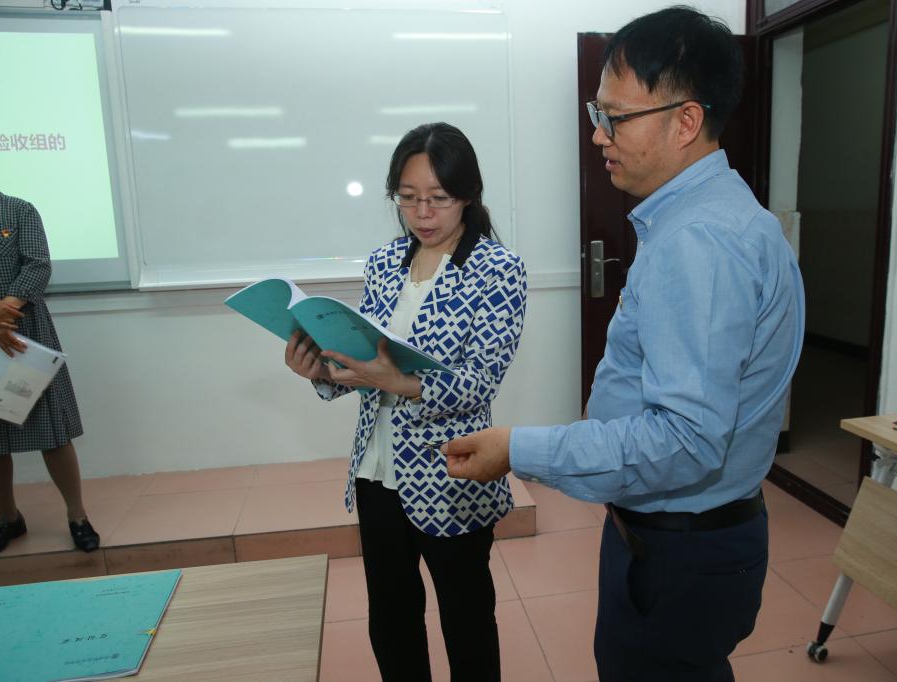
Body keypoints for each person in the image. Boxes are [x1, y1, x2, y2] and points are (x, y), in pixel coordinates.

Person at [443, 7, 805, 682]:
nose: (597, 134)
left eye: (615, 117)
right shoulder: (723, 218)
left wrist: (519, 448)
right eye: (597, 112)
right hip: (691, 536)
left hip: (681, 552)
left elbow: (684, 441)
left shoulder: (699, 242)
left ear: (685, 121)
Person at [284, 122, 526, 681]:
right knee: (391, 622)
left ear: (468, 194)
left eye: (438, 198)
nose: (422, 213)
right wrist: (320, 371)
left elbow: (479, 382)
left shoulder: (498, 271)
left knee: (466, 623)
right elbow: (365, 362)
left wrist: (398, 382)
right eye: (408, 197)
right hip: (376, 472)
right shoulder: (384, 262)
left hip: (453, 473)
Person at [0, 142, 99, 559]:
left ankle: (77, 516)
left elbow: (37, 264)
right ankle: (9, 519)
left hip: (23, 333)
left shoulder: (18, 210)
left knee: (52, 430)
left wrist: (4, 315)